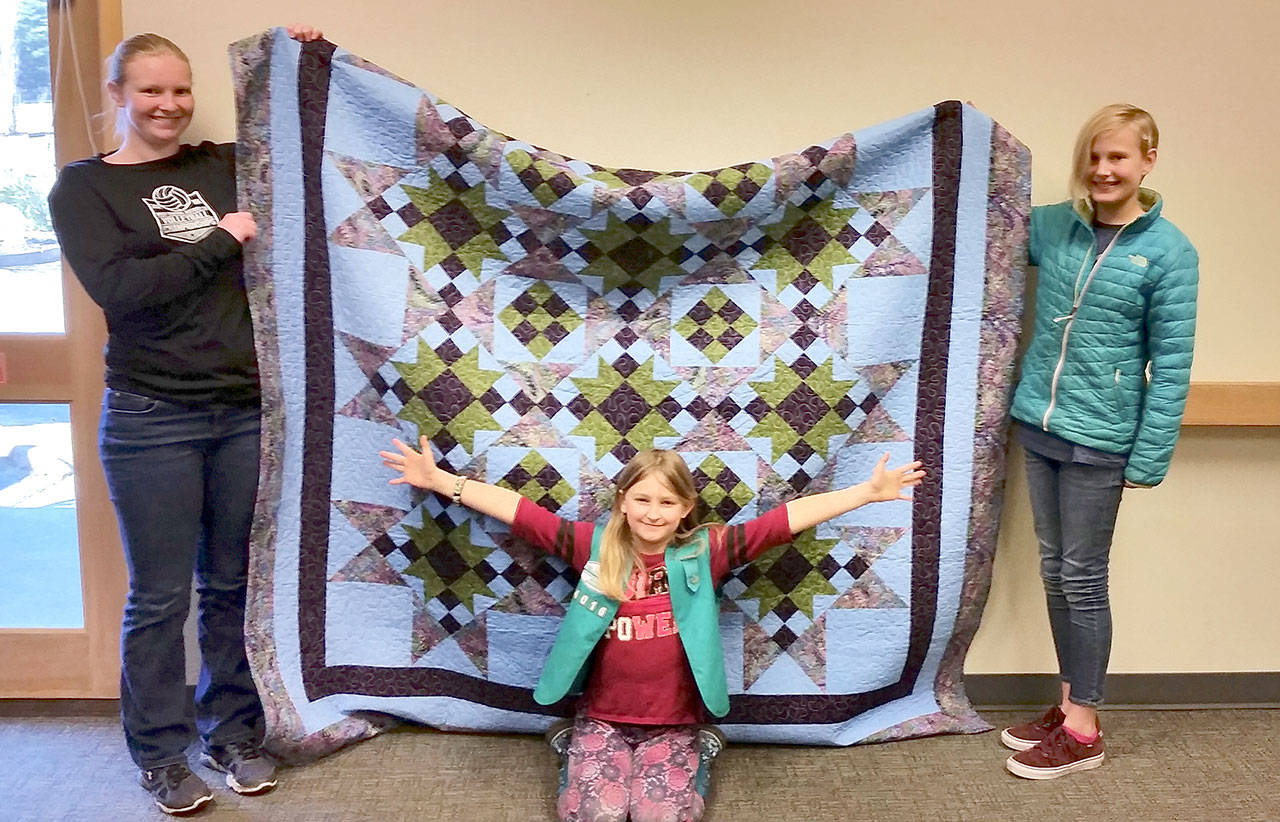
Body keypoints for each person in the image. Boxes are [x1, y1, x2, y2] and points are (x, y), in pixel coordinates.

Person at [47, 26, 322, 815]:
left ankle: (233, 734)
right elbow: (125, 293)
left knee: (232, 587)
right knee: (160, 598)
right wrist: (218, 239)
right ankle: (162, 755)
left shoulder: (220, 165)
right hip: (151, 417)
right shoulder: (83, 189)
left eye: (179, 90)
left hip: (242, 412)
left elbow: (302, 130)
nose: (168, 105)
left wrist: (293, 53)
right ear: (119, 97)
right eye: (150, 91)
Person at [381, 436, 924, 821]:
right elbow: (519, 512)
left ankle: (701, 754)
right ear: (622, 502)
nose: (653, 511)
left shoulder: (705, 551)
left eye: (667, 501)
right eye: (642, 499)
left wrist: (866, 493)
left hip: (674, 721)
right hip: (602, 715)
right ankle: (573, 744)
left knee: (659, 815)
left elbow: (784, 520)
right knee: (598, 814)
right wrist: (440, 482)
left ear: (686, 507)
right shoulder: (594, 546)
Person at [1002, 104, 1198, 780]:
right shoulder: (1056, 225)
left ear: (1147, 160)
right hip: (1040, 425)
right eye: (1094, 155)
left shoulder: (1170, 251)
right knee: (1055, 570)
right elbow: (989, 227)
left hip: (1103, 440)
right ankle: (1067, 705)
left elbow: (1171, 365)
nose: (1103, 169)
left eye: (1118, 156)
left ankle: (1084, 729)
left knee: (1082, 581)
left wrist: (1149, 457)